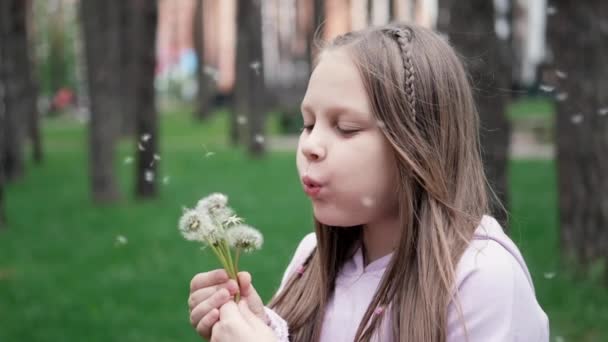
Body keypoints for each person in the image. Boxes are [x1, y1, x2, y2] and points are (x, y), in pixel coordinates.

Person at [187, 23, 550, 342]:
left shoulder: (481, 279)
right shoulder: (311, 259)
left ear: (418, 145)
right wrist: (262, 325)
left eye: (345, 128)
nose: (310, 146)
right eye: (308, 123)